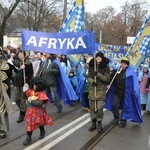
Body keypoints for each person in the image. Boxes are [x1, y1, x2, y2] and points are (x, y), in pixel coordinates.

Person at [106, 57, 143, 127]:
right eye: (122, 63)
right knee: (114, 105)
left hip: (126, 93)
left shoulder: (131, 73)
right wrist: (108, 84)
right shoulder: (116, 71)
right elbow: (110, 78)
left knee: (125, 107)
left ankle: (123, 120)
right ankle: (116, 118)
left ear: (127, 65)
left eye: (125, 64)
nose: (123, 65)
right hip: (117, 92)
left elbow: (134, 83)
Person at [23, 77, 53, 145]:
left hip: (38, 111)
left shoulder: (42, 93)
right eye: (34, 84)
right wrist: (24, 91)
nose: (34, 86)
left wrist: (31, 101)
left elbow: (40, 103)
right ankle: (28, 137)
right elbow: (24, 97)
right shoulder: (30, 91)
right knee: (29, 124)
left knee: (40, 123)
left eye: (35, 85)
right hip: (30, 111)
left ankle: (42, 131)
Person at [87, 52, 110, 133]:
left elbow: (107, 79)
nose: (98, 58)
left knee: (99, 108)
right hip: (93, 90)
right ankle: (93, 123)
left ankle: (99, 122)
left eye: (100, 57)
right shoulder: (92, 67)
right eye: (97, 57)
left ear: (102, 58)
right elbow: (89, 76)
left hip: (101, 90)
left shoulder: (106, 68)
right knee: (92, 108)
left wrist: (98, 74)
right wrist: (93, 81)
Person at [13, 50, 33, 123]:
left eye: (22, 54)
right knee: (16, 99)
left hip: (24, 84)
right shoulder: (15, 62)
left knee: (23, 99)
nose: (20, 55)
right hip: (17, 83)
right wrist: (20, 68)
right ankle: (23, 109)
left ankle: (22, 114)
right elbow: (13, 73)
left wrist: (29, 83)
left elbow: (31, 74)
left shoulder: (28, 63)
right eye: (19, 54)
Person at [0, 49, 16, 138]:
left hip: (2, 92)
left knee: (2, 111)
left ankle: (2, 129)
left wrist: (21, 69)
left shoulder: (8, 65)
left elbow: (16, 74)